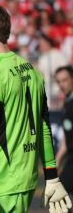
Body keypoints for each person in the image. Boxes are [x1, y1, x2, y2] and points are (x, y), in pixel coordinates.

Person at [0, 2, 72, 213]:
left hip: (0, 183)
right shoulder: (32, 71)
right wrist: (51, 176)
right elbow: (44, 128)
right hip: (27, 180)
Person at [55, 65, 73, 194]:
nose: (62, 85)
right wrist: (57, 161)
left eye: (65, 80)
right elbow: (66, 140)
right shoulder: (67, 102)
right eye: (58, 81)